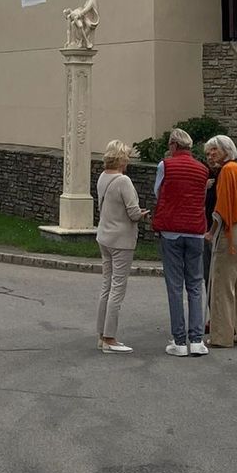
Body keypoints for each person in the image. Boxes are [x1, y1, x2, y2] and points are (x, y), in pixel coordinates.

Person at [151, 127, 210, 357]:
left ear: (174, 145)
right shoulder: (202, 169)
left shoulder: (165, 165)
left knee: (175, 286)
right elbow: (201, 197)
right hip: (195, 230)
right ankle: (196, 340)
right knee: (195, 284)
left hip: (171, 230)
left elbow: (159, 192)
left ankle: (179, 340)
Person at [204, 136, 237, 349]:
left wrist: (211, 232)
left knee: (222, 287)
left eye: (214, 151)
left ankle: (222, 336)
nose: (210, 155)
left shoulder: (227, 171)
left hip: (230, 232)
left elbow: (222, 207)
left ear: (226, 150)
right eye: (208, 153)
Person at [95, 141, 146, 354]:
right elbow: (133, 213)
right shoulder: (123, 181)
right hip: (122, 240)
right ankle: (110, 337)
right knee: (118, 287)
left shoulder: (102, 177)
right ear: (122, 159)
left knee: (106, 286)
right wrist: (142, 214)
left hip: (105, 236)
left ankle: (101, 333)